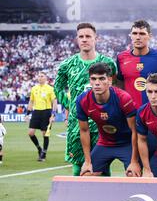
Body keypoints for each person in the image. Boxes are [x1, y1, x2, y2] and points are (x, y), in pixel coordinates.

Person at [54, 22, 117, 176]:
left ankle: (106, 199)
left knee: (103, 165)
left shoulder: (108, 63)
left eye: (88, 36)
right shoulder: (68, 64)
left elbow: (116, 86)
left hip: (102, 121)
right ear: (77, 39)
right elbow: (57, 87)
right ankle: (77, 199)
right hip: (77, 122)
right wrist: (69, 105)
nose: (84, 39)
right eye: (81, 36)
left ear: (96, 38)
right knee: (78, 166)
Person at [76, 63, 140, 177]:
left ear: (109, 80)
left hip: (127, 144)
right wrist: (87, 161)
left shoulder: (123, 98)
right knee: (86, 174)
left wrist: (134, 161)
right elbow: (84, 131)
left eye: (101, 79)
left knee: (133, 175)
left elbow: (135, 130)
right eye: (93, 79)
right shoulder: (82, 100)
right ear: (89, 81)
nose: (97, 83)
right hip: (105, 143)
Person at [116, 19, 157, 108]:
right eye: (134, 33)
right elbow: (120, 83)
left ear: (149, 36)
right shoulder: (121, 57)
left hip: (154, 111)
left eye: (142, 34)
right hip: (130, 112)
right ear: (130, 36)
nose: (138, 37)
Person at [26, 71, 57, 161]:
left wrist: (53, 115)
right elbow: (31, 101)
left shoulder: (50, 89)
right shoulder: (34, 88)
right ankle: (39, 149)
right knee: (31, 133)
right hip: (36, 112)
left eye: (42, 76)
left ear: (46, 78)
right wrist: (27, 114)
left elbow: (54, 102)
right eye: (39, 76)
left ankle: (44, 154)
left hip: (46, 112)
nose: (40, 78)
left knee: (45, 134)